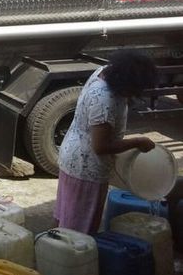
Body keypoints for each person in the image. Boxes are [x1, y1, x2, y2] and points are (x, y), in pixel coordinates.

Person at [55, 50, 158, 234]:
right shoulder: (104, 99)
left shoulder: (106, 71)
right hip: (86, 167)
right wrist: (137, 141)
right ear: (125, 82)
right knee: (79, 232)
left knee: (66, 217)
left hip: (74, 156)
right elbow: (101, 146)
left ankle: (53, 247)